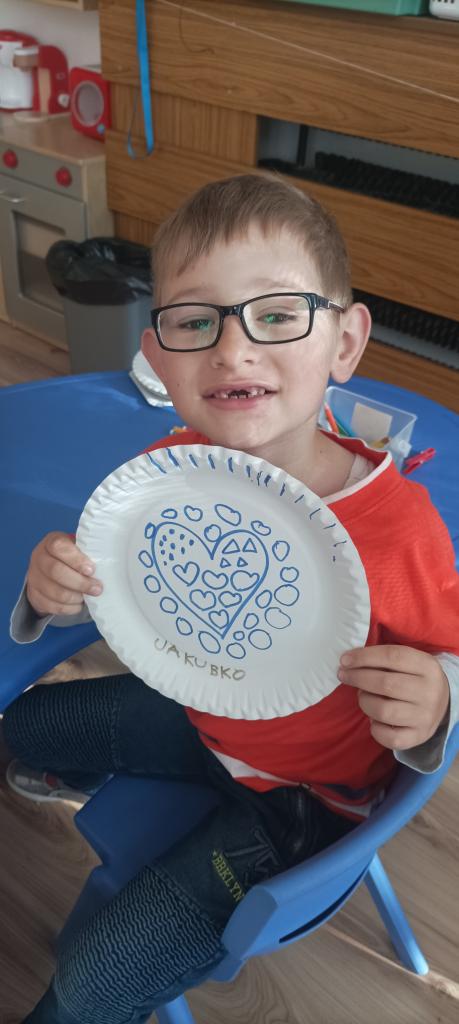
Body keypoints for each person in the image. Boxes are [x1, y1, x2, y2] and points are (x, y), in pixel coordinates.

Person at [2, 173, 458, 1024]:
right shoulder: (169, 472)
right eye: (194, 321)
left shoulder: (399, 533)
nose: (233, 349)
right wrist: (52, 590)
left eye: (276, 315)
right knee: (21, 723)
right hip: (205, 718)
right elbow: (121, 590)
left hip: (307, 801)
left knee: (88, 985)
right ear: (156, 355)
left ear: (345, 342)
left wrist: (436, 701)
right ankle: (84, 774)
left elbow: (449, 666)